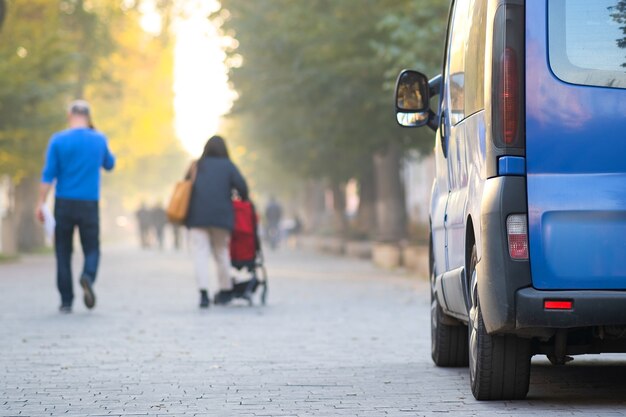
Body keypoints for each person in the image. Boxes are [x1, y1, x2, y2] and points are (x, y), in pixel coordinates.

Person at [36, 100, 115, 313]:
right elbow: (110, 164)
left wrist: (41, 202)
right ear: (89, 117)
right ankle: (87, 276)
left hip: (64, 203)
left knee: (63, 251)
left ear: (70, 116)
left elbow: (48, 174)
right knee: (92, 247)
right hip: (89, 203)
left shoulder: (58, 140)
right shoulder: (99, 138)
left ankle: (66, 300)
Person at [185, 135, 248, 308]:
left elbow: (186, 185)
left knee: (200, 254)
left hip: (197, 217)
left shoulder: (197, 166)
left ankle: (203, 293)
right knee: (221, 252)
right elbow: (242, 187)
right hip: (221, 216)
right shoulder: (228, 166)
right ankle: (226, 290)